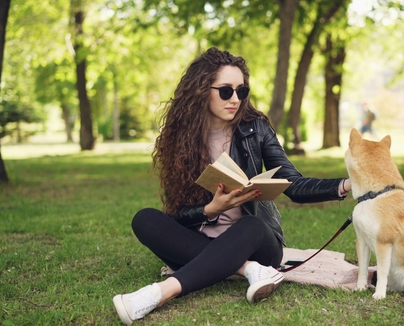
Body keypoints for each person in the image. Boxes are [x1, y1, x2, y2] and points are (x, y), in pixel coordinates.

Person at [112, 47, 352, 325]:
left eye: (242, 91)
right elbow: (177, 214)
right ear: (202, 90)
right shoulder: (179, 139)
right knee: (145, 219)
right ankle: (249, 270)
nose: (235, 99)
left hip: (256, 241)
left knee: (251, 226)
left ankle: (158, 294)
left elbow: (294, 185)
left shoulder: (256, 128)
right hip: (202, 238)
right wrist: (210, 209)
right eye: (226, 91)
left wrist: (346, 184)